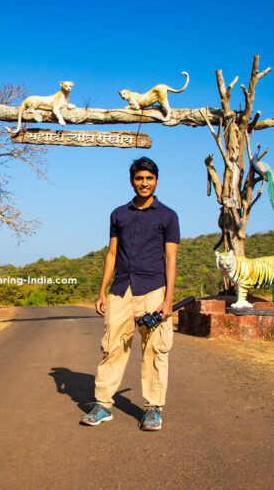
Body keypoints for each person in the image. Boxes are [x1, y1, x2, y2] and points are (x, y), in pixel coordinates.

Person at [81, 156, 179, 431]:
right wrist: (102, 291)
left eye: (149, 178)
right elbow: (111, 254)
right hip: (121, 289)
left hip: (154, 290)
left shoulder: (168, 216)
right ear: (131, 181)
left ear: (156, 181)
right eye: (139, 178)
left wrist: (168, 299)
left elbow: (170, 260)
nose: (144, 183)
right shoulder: (118, 214)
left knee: (155, 349)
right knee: (112, 346)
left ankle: (153, 409)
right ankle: (103, 405)